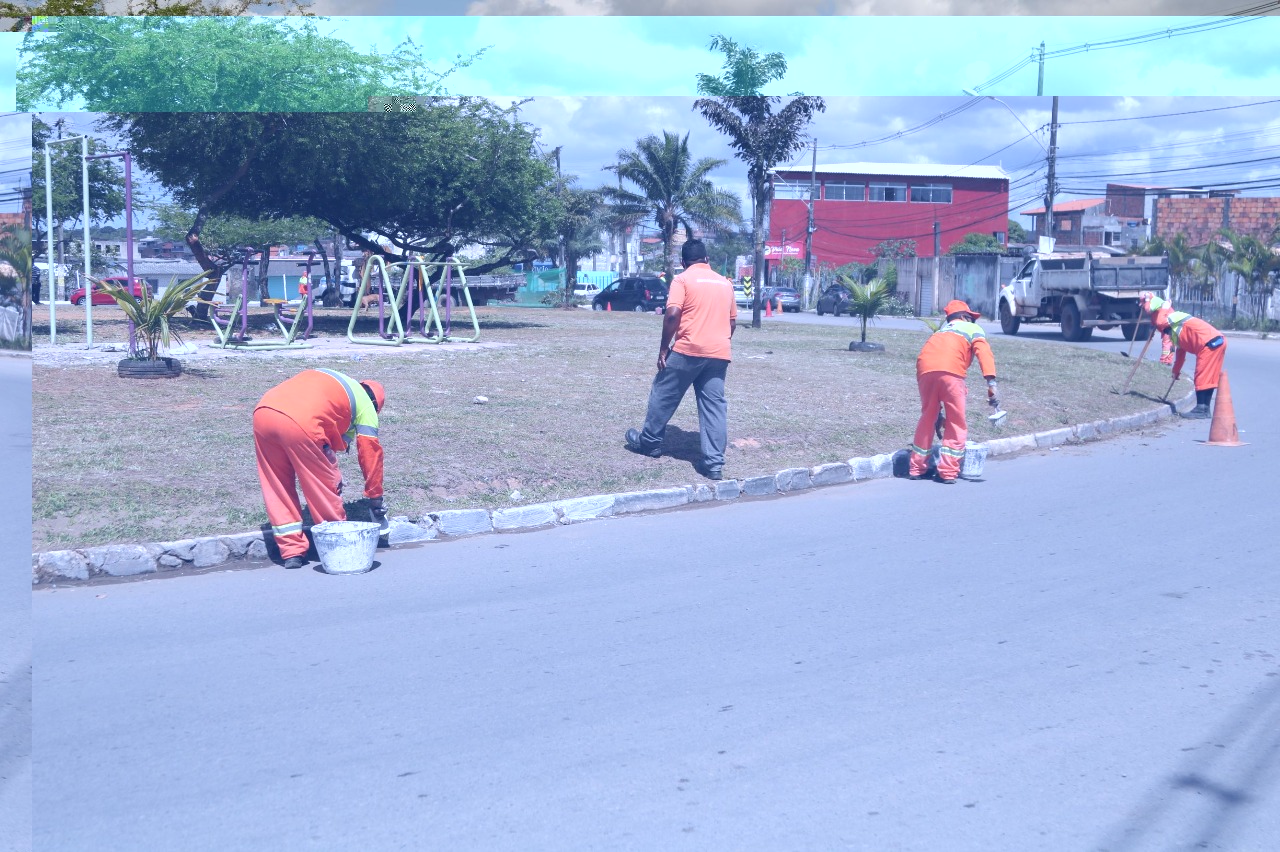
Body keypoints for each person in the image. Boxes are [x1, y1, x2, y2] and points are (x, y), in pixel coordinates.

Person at [625, 238, 737, 481]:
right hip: (719, 353)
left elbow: (673, 314)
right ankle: (714, 463)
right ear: (707, 259)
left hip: (688, 349)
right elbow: (732, 322)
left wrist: (664, 349)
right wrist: (719, 342)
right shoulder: (725, 283)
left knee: (663, 393)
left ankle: (650, 443)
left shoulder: (682, 279)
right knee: (714, 406)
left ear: (683, 262)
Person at [253, 369, 387, 569]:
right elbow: (371, 456)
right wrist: (375, 497)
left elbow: (327, 429)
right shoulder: (367, 406)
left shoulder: (337, 383)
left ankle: (292, 552)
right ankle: (339, 546)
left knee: (277, 485)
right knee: (322, 489)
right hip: (300, 421)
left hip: (263, 413)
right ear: (375, 404)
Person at [908, 299, 999, 484]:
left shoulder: (940, 332)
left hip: (924, 372)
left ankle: (916, 468)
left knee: (928, 418)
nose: (973, 322)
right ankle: (947, 472)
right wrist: (992, 383)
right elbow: (984, 353)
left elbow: (932, 362)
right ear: (965, 317)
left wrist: (937, 412)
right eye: (971, 318)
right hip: (952, 373)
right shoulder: (972, 329)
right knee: (956, 422)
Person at [1139, 292, 1226, 419]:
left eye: (1165, 331)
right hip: (1218, 341)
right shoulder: (1176, 332)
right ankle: (1205, 409)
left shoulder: (1174, 316)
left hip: (1208, 343)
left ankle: (1201, 409)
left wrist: (1165, 306)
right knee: (1209, 377)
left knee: (1201, 376)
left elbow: (1160, 321)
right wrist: (1176, 372)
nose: (1165, 332)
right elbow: (1180, 354)